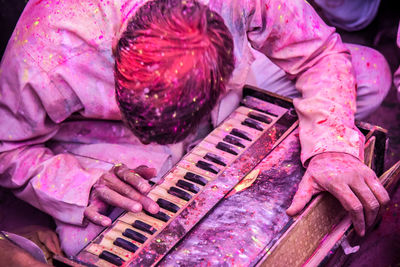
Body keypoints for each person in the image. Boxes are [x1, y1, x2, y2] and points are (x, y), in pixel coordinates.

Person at [0, 0, 390, 257]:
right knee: (98, 247)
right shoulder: (49, 44)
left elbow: (319, 52)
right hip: (108, 141)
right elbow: (5, 148)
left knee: (371, 74)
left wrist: (332, 147)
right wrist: (81, 183)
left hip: (229, 98)